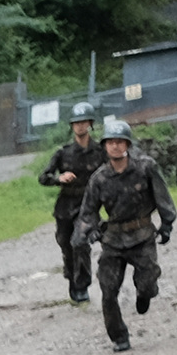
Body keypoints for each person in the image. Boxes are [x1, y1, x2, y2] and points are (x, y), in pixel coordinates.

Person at [76, 120, 177, 353]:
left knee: (149, 283)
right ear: (105, 146)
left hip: (142, 236)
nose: (115, 146)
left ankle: (144, 295)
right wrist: (85, 235)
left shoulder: (145, 168)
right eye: (111, 142)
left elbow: (162, 196)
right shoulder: (99, 179)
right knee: (108, 289)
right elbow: (88, 212)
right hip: (113, 240)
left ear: (128, 144)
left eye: (120, 142)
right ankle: (119, 336)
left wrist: (167, 223)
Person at [36, 102, 102, 302]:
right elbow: (43, 177)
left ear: (90, 124)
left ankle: (82, 285)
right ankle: (72, 280)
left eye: (83, 122)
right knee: (66, 245)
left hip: (87, 204)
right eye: (76, 123)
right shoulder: (63, 153)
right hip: (65, 205)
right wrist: (59, 179)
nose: (80, 126)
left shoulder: (100, 151)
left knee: (80, 242)